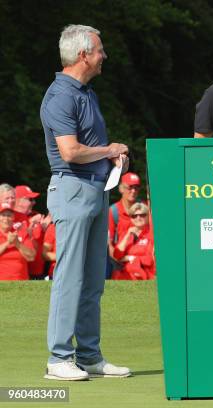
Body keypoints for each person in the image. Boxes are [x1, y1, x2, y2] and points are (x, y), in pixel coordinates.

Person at [40, 24, 131, 380]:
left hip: (95, 189)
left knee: (93, 278)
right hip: (72, 189)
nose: (103, 56)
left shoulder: (86, 92)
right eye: (99, 51)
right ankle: (58, 358)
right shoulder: (61, 95)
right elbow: (70, 151)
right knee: (70, 278)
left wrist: (110, 160)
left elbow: (86, 149)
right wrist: (109, 150)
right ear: (83, 55)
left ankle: (89, 355)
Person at [14, 185, 50, 279]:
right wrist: (29, 224)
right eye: (30, 199)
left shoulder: (36, 216)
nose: (34, 202)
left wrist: (45, 229)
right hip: (22, 272)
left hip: (39, 271)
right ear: (18, 201)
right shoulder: (9, 218)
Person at [112, 203, 155, 280]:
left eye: (142, 215)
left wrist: (130, 258)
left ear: (148, 217)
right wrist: (128, 235)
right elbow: (117, 255)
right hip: (126, 275)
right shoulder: (126, 234)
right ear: (131, 219)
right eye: (134, 216)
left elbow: (149, 259)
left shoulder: (152, 234)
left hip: (146, 274)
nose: (138, 218)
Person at [108, 172, 143, 268]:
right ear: (121, 189)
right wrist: (122, 260)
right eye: (130, 187)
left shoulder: (144, 209)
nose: (133, 191)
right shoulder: (113, 211)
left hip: (142, 261)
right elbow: (109, 245)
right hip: (119, 263)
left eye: (136, 187)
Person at [0, 202, 35, 280]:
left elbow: (31, 257)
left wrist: (17, 243)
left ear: (13, 218)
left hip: (20, 282)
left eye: (9, 215)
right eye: (3, 215)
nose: (6, 219)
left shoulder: (22, 232)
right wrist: (8, 243)